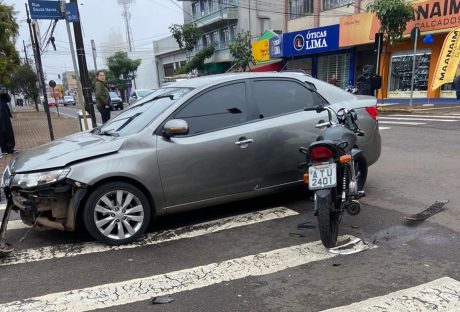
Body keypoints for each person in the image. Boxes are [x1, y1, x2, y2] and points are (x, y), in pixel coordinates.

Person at [0, 87, 16, 154]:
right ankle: (3, 149)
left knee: (8, 131)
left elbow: (8, 99)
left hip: (5, 113)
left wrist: (4, 93)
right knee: (1, 131)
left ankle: (10, 148)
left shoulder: (1, 89)